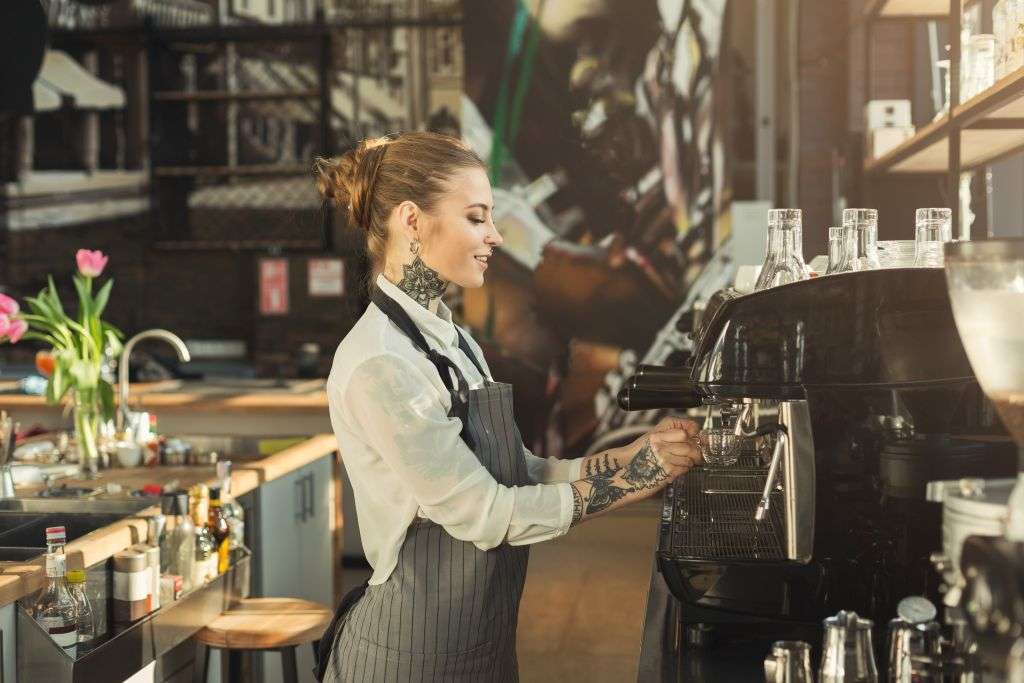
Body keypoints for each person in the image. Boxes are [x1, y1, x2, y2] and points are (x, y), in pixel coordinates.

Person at [313, 131, 701, 682]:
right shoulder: (382, 362)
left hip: (480, 644)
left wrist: (632, 457)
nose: (495, 235)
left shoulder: (454, 341)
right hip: (409, 654)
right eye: (476, 217)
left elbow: (522, 472)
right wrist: (634, 480)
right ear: (412, 220)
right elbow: (487, 512)